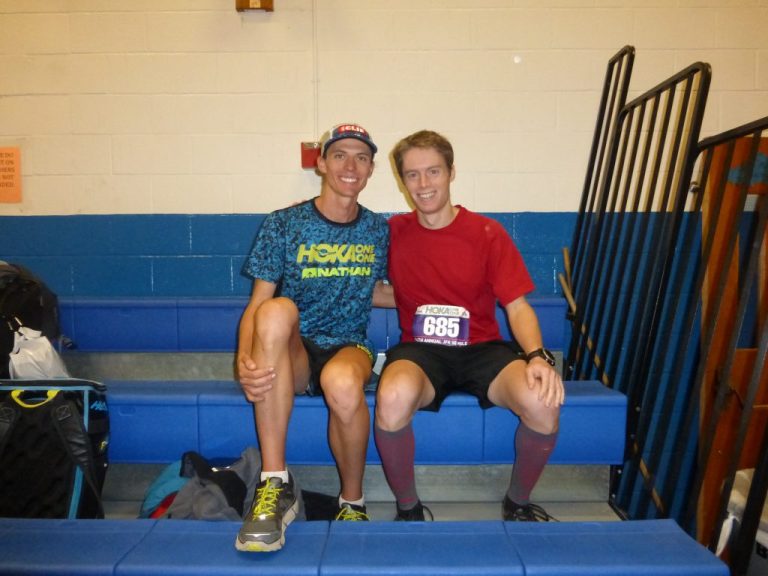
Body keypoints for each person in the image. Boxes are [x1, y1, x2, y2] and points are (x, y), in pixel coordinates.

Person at [374, 129, 565, 522]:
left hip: (483, 350)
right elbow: (353, 276)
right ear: (402, 180)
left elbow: (517, 306)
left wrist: (537, 356)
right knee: (391, 399)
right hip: (420, 352)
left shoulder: (487, 233)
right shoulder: (392, 233)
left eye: (433, 171)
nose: (423, 184)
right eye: (412, 175)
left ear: (451, 173)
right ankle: (408, 509)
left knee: (541, 403)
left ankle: (517, 502)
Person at [235, 123, 389, 552]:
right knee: (276, 309)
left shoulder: (379, 229)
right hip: (295, 350)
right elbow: (258, 303)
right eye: (339, 155)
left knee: (342, 382)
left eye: (361, 157)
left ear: (371, 169)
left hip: (349, 345)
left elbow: (381, 291)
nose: (350, 165)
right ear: (321, 163)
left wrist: (454, 295)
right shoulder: (283, 224)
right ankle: (274, 484)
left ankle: (352, 502)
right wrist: (244, 360)